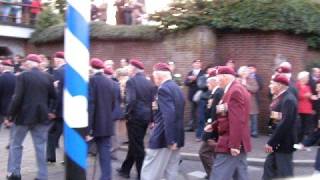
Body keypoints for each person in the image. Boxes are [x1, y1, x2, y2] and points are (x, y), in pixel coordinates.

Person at [5, 54, 56, 180]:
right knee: (40, 146)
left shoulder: (23, 76)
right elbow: (54, 97)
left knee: (16, 145)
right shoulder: (48, 77)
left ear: (28, 63)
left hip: (23, 117)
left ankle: (15, 174)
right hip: (41, 117)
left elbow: (17, 98)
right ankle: (42, 176)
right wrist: (50, 111)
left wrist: (10, 115)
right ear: (38, 64)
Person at [141, 63, 185, 180]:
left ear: (159, 77)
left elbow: (169, 116)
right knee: (171, 171)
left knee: (150, 171)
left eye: (154, 78)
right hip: (177, 135)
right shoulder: (177, 88)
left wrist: (170, 140)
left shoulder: (163, 89)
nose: (154, 80)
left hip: (163, 138)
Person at [207, 66, 251, 180]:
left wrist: (235, 144)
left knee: (218, 175)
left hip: (230, 141)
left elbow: (237, 120)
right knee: (241, 175)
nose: (216, 81)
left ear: (225, 77)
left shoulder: (234, 91)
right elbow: (227, 114)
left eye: (217, 78)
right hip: (237, 140)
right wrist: (214, 125)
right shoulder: (233, 89)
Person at [117, 59, 155, 179]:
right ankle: (125, 169)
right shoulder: (148, 82)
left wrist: (126, 115)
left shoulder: (131, 82)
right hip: (145, 117)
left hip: (135, 118)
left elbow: (131, 100)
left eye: (128, 68)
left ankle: (142, 174)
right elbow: (151, 102)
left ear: (133, 69)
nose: (127, 70)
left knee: (138, 147)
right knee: (135, 143)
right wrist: (151, 119)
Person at [262, 74, 298, 180]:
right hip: (277, 141)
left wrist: (271, 142)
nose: (269, 86)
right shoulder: (280, 99)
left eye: (272, 83)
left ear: (279, 85)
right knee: (269, 168)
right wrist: (271, 135)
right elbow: (275, 120)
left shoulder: (288, 100)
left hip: (284, 143)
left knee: (285, 172)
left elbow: (284, 124)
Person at [87, 58, 115, 180]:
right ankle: (106, 177)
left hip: (93, 125)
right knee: (105, 155)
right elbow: (113, 104)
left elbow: (90, 105)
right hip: (107, 124)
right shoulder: (110, 82)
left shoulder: (91, 81)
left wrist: (88, 129)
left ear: (92, 68)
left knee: (81, 151)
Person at [199, 68, 223, 179]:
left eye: (209, 82)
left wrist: (213, 134)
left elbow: (216, 115)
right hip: (210, 126)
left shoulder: (218, 93)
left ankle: (214, 175)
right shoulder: (214, 93)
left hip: (212, 129)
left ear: (214, 82)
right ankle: (214, 175)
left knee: (203, 153)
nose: (207, 84)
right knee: (214, 154)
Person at [47, 51, 65, 163]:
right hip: (72, 110)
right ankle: (67, 160)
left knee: (51, 133)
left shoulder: (58, 72)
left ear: (58, 60)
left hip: (60, 110)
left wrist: (52, 110)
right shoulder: (73, 71)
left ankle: (50, 157)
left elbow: (56, 92)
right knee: (68, 136)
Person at [104, 67, 123, 160]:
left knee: (111, 133)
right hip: (116, 111)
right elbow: (120, 98)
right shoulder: (116, 84)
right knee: (114, 132)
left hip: (109, 111)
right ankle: (113, 150)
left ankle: (112, 151)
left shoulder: (106, 84)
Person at [238, 66, 260, 137]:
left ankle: (254, 132)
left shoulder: (252, 79)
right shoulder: (238, 80)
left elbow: (255, 89)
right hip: (241, 101)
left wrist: (246, 85)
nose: (245, 73)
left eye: (246, 72)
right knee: (244, 118)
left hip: (251, 101)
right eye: (244, 72)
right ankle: (245, 132)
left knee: (253, 117)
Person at [184, 59, 205, 132]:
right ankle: (192, 126)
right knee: (192, 111)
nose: (197, 64)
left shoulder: (203, 73)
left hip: (200, 94)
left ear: (201, 64)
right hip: (192, 95)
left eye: (199, 63)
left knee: (200, 111)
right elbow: (186, 83)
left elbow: (203, 83)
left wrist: (195, 79)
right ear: (193, 64)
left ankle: (199, 127)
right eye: (195, 63)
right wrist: (191, 80)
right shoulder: (190, 72)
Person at [296, 71, 314, 142]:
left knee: (306, 127)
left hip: (307, 110)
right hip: (300, 109)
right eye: (307, 77)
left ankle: (302, 143)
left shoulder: (308, 87)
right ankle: (297, 141)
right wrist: (305, 95)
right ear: (302, 78)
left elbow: (309, 96)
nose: (308, 79)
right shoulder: (297, 85)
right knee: (299, 127)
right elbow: (297, 95)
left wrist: (312, 96)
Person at [0, 60, 16, 130]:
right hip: (13, 105)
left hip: (2, 105)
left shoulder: (1, 78)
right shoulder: (16, 78)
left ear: (3, 67)